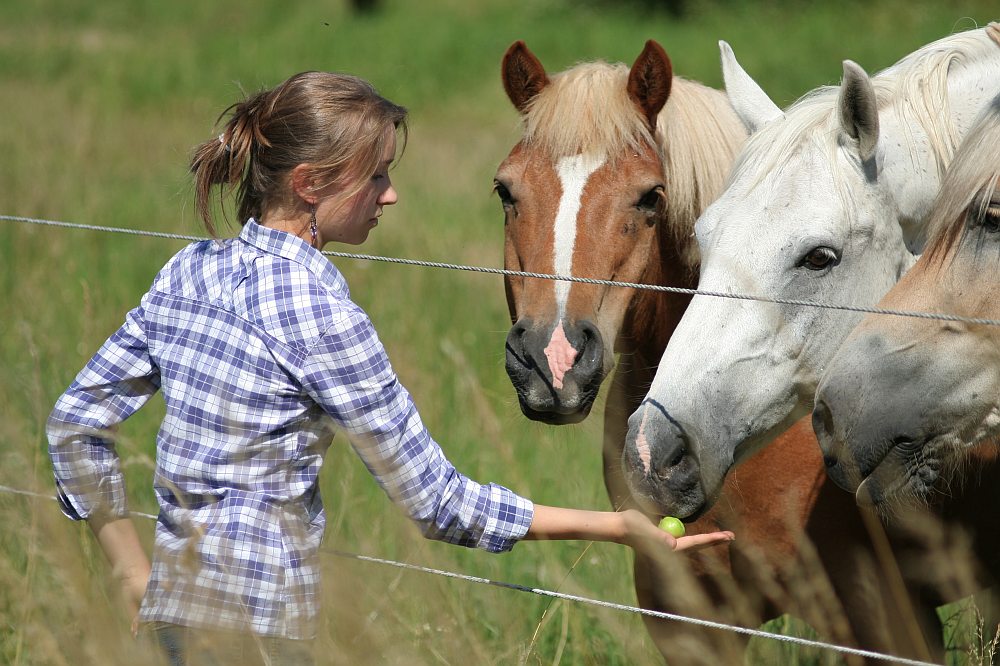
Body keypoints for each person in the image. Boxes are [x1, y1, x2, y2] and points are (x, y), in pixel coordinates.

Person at [46, 70, 734, 665]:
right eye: (376, 174)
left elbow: (74, 425)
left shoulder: (186, 271)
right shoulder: (322, 311)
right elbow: (438, 502)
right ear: (310, 184)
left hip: (167, 622)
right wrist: (615, 527)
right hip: (258, 637)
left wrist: (134, 572)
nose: (391, 193)